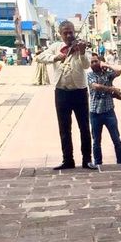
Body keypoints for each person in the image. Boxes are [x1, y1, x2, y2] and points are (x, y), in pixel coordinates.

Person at [35, 21, 97, 170]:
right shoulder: (56, 47)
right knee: (64, 128)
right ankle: (67, 159)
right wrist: (57, 57)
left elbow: (86, 65)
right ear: (60, 34)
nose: (69, 35)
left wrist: (81, 52)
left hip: (79, 92)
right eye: (65, 33)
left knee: (84, 127)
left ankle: (87, 159)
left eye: (71, 32)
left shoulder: (81, 46)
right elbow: (40, 58)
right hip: (61, 92)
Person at [87, 53, 121, 166]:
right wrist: (111, 89)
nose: (94, 63)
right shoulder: (89, 75)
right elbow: (96, 86)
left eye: (96, 61)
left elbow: (119, 71)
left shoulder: (107, 74)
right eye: (92, 62)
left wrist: (107, 65)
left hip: (109, 112)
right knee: (96, 141)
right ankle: (98, 163)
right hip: (95, 112)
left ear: (100, 62)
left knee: (116, 139)